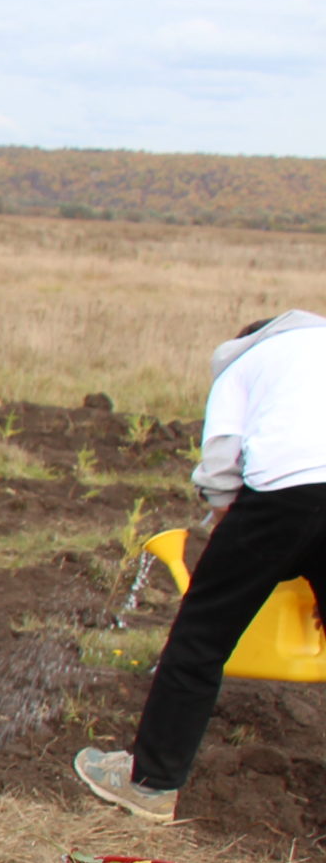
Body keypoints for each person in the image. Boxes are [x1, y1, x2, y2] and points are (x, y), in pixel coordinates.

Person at [77, 310, 326, 822]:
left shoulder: (241, 365)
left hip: (285, 492)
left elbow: (220, 464)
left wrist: (223, 523)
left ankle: (150, 783)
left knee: (200, 640)